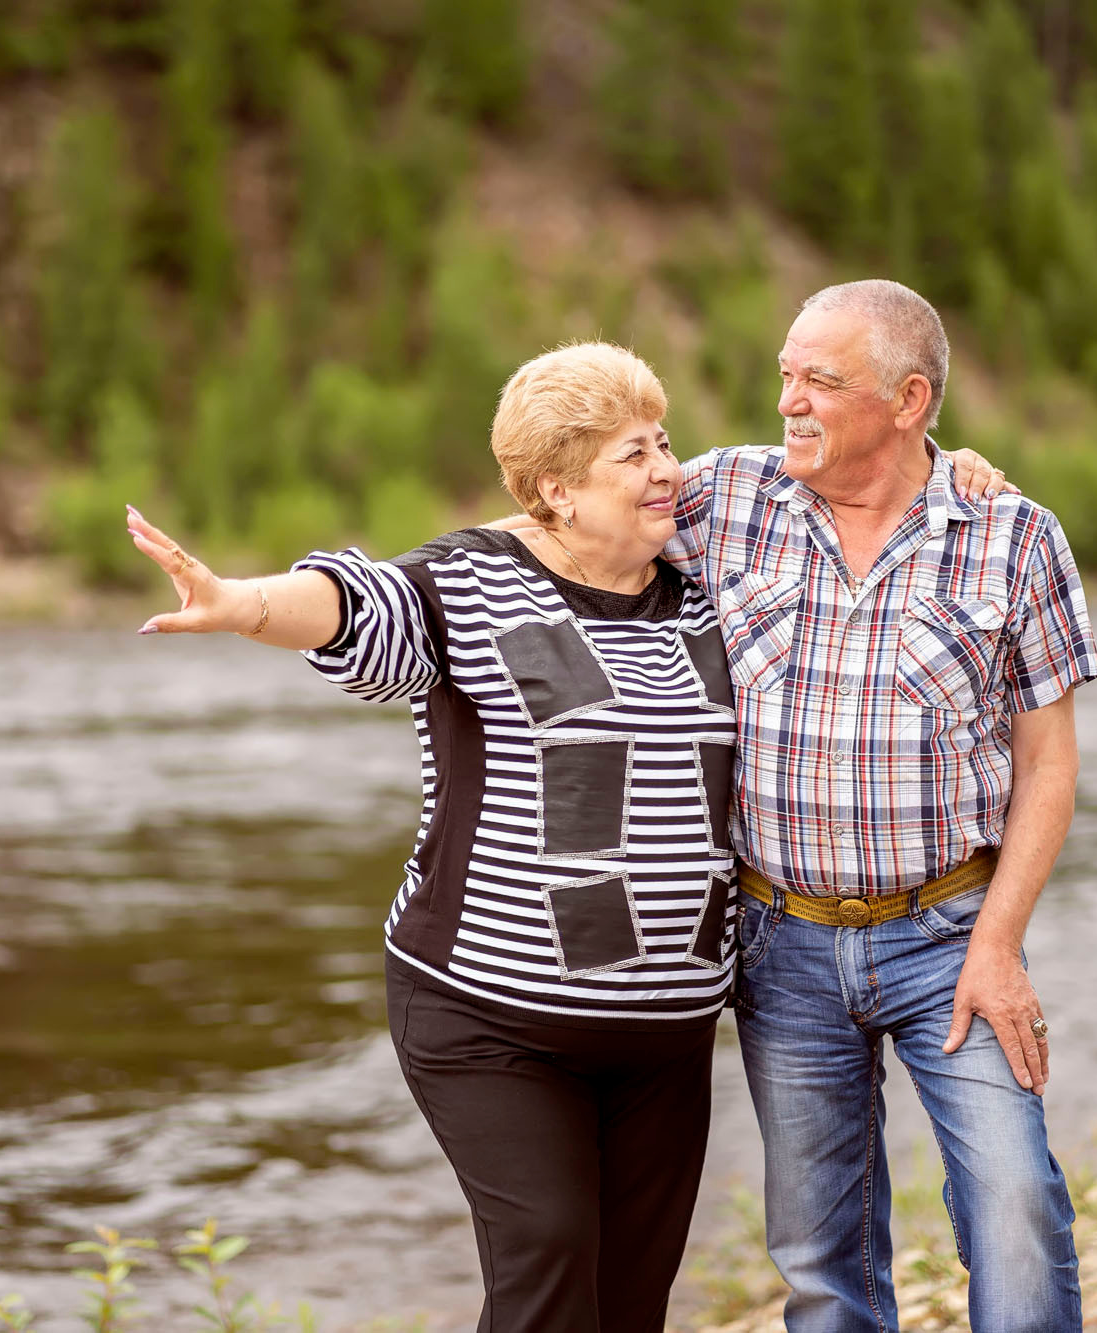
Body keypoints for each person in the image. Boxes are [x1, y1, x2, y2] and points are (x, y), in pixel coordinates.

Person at [128, 339, 1005, 1332]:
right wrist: (243, 604)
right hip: (489, 1017)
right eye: (631, 454)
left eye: (663, 442)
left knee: (629, 1301)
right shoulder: (468, 583)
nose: (666, 469)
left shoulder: (699, 593)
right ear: (556, 489)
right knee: (548, 1251)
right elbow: (355, 604)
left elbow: (848, 492)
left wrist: (953, 468)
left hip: (661, 1031)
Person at [663, 279, 1097, 1333]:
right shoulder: (723, 497)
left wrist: (998, 943)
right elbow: (565, 514)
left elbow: (1046, 767)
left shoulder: (1011, 536)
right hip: (778, 943)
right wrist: (327, 597)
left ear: (908, 401)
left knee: (1011, 1200)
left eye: (819, 380)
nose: (787, 402)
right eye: (783, 374)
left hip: (952, 934)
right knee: (820, 1254)